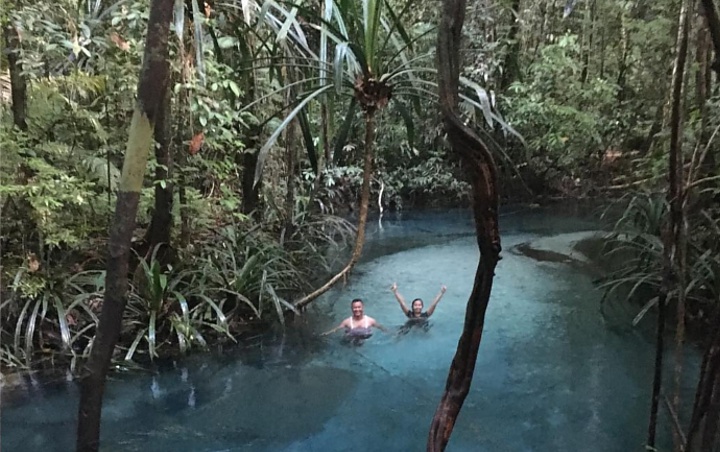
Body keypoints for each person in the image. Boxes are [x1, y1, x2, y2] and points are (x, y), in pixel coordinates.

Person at [322, 298, 387, 344]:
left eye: (359, 307)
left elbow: (381, 328)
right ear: (352, 308)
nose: (357, 309)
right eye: (355, 307)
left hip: (365, 343)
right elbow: (336, 329)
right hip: (350, 343)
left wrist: (392, 334)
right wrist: (325, 334)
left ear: (362, 307)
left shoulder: (370, 321)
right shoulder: (347, 322)